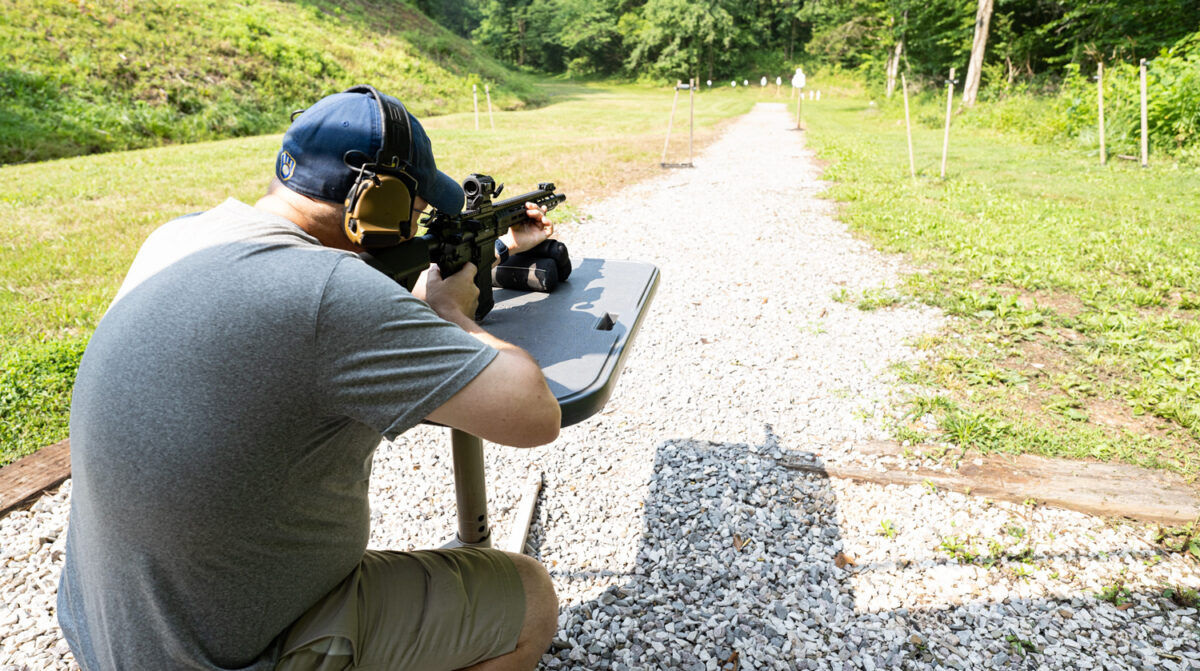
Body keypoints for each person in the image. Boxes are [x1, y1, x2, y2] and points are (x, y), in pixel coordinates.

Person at [58, 86, 563, 671]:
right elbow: (535, 415)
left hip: (110, 629)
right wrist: (449, 313)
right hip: (223, 658)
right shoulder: (333, 294)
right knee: (530, 600)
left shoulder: (176, 237)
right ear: (377, 204)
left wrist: (499, 249)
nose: (421, 224)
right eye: (418, 212)